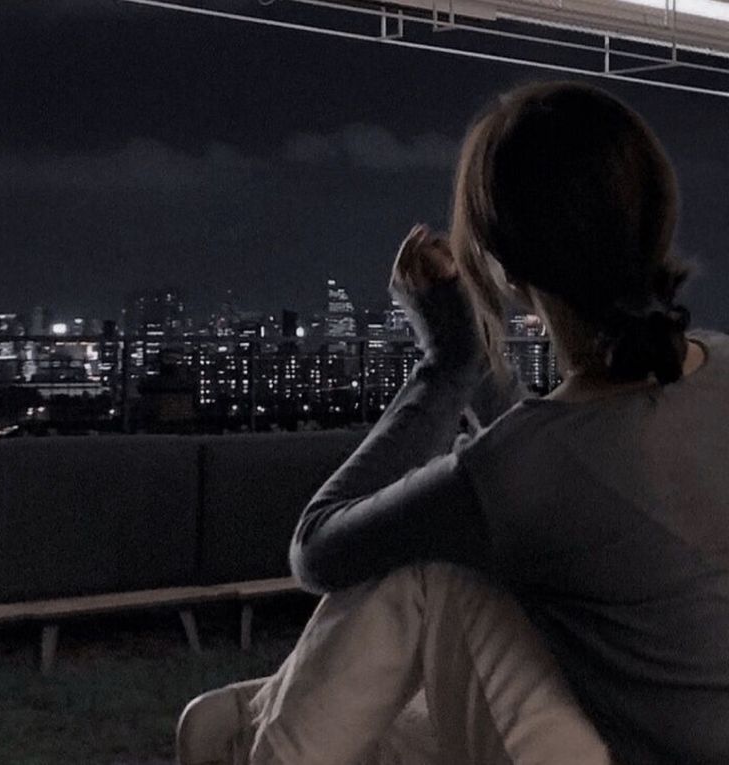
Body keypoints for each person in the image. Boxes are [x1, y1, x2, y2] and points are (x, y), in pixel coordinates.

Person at [176, 81, 729, 764]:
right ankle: (258, 717)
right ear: (660, 214)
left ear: (500, 267)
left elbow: (319, 546)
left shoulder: (521, 472)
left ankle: (254, 739)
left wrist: (449, 361)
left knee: (435, 568)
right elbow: (542, 453)